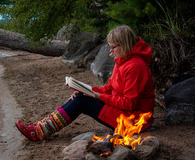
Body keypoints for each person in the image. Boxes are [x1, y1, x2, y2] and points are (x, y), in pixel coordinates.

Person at [15, 25, 155, 141]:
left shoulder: (136, 66)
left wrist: (96, 96)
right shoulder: (122, 60)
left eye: (113, 47)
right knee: (80, 96)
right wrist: (87, 90)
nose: (110, 52)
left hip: (134, 120)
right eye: (109, 47)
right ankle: (41, 127)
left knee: (82, 101)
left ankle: (40, 132)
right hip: (125, 113)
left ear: (124, 45)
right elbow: (109, 88)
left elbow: (129, 103)